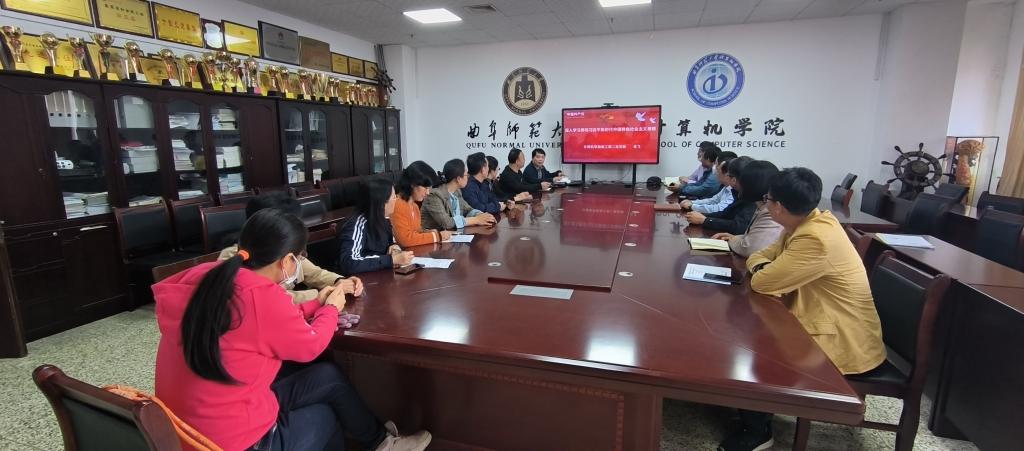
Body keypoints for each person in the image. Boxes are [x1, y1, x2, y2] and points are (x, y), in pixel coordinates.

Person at [154, 209, 431, 451]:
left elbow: (262, 325)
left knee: (327, 377)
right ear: (286, 261)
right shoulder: (260, 296)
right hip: (234, 441)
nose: (298, 264)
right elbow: (310, 346)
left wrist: (317, 302)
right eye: (298, 258)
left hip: (188, 429)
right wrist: (330, 309)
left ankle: (382, 443)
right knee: (326, 417)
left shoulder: (208, 277)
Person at [719, 168, 885, 451]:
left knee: (754, 344)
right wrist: (763, 266)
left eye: (768, 200)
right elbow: (761, 256)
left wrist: (762, 268)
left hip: (842, 337)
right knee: (750, 327)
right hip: (819, 318)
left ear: (779, 207)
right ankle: (752, 408)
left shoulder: (815, 238)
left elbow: (762, 282)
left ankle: (757, 429)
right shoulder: (805, 223)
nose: (766, 204)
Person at [218, 192, 363, 303]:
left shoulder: (288, 250)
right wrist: (320, 295)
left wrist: (340, 281)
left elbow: (315, 273)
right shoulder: (233, 258)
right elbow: (268, 298)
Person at [338, 177, 415, 274]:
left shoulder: (384, 218)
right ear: (382, 202)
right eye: (394, 197)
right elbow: (349, 263)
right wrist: (391, 260)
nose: (396, 200)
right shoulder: (356, 225)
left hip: (380, 274)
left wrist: (394, 248)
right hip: (359, 280)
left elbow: (390, 242)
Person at [710, 160, 784, 258]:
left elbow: (750, 249)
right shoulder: (762, 204)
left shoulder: (770, 210)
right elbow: (752, 236)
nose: (737, 184)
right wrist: (736, 238)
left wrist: (733, 240)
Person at [421, 158, 497, 230]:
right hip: (433, 237)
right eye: (466, 175)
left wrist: (482, 215)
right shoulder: (434, 195)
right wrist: (476, 220)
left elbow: (468, 210)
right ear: (458, 179)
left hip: (453, 235)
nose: (468, 177)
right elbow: (447, 223)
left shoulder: (457, 191)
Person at [686, 156, 755, 234]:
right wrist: (702, 216)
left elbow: (739, 226)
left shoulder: (753, 198)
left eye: (728, 174)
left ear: (733, 180)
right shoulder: (737, 192)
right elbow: (725, 213)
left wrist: (704, 220)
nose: (716, 173)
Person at [391, 161, 454, 247]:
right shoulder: (398, 204)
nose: (427, 193)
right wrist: (438, 236)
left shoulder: (414, 206)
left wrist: (428, 232)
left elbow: (416, 231)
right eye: (425, 188)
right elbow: (405, 239)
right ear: (413, 184)